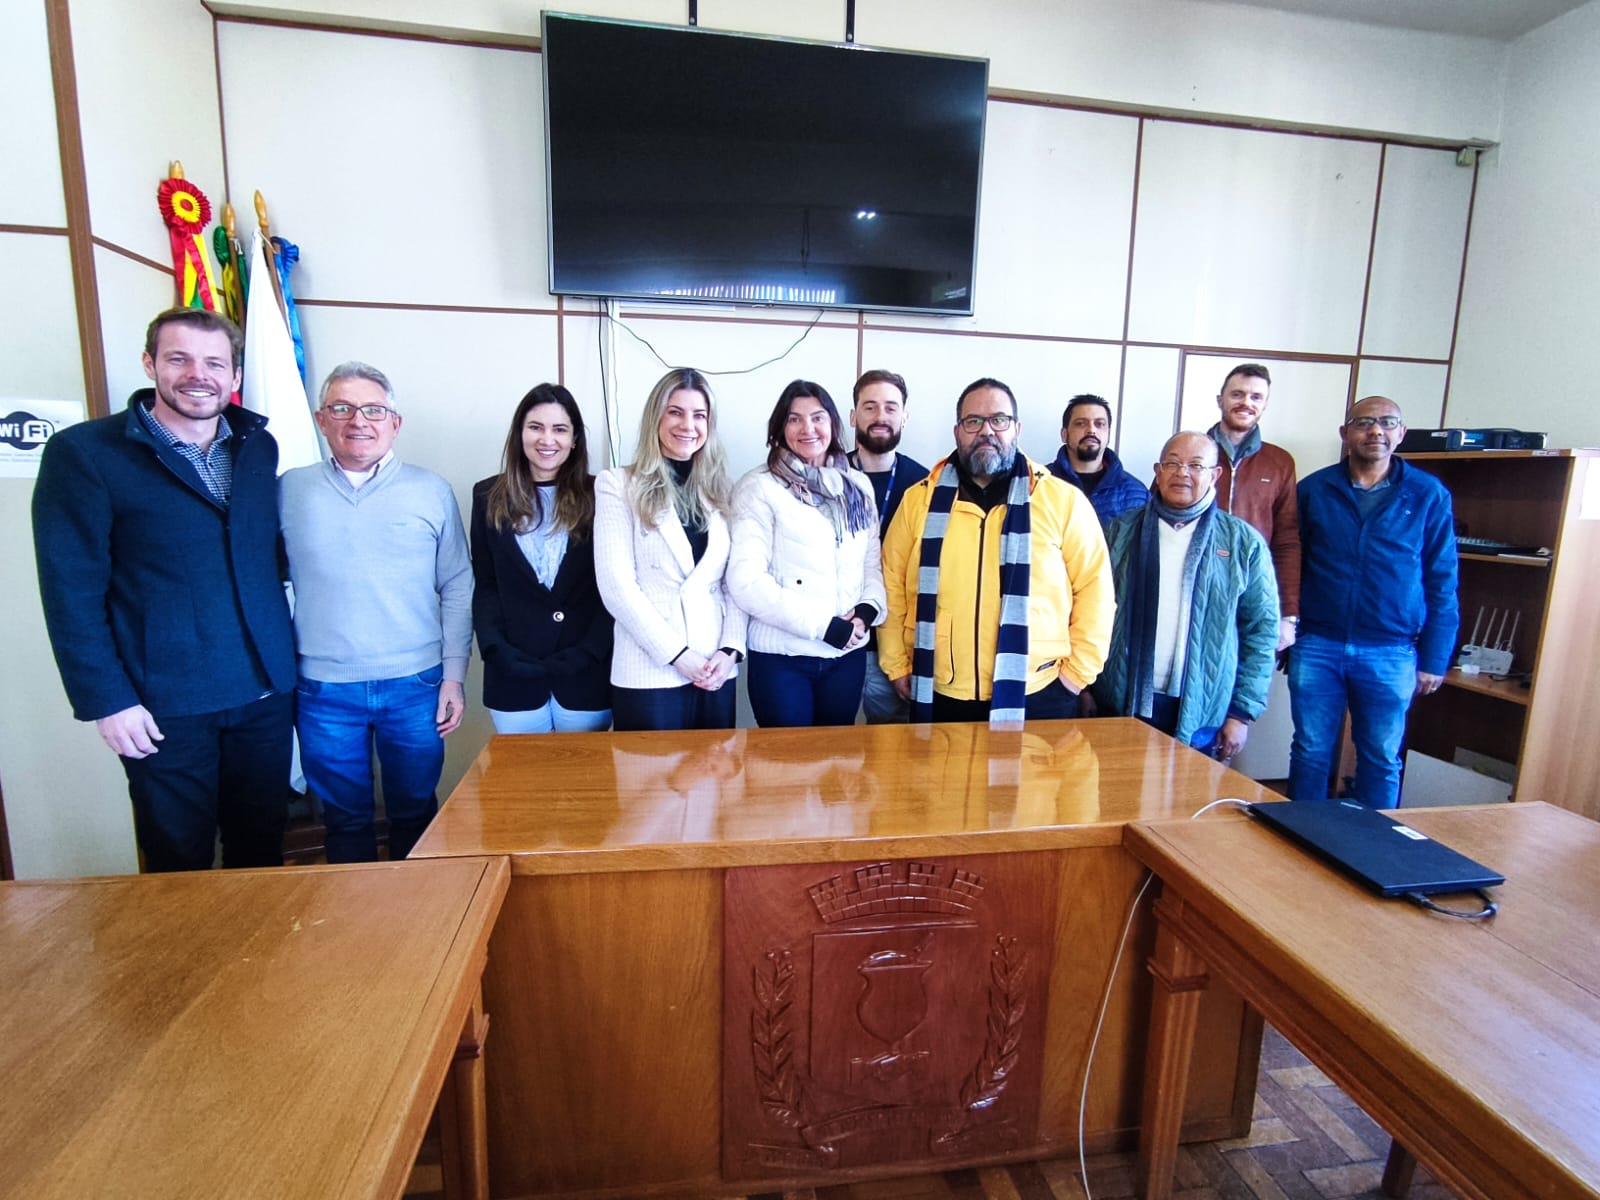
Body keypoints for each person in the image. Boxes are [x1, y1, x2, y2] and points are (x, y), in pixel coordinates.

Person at [32, 307, 296, 872]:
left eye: (214, 363)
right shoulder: (86, 455)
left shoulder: (258, 447)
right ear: (150, 364)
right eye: (179, 359)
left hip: (264, 693)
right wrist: (108, 701)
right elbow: (70, 593)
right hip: (162, 708)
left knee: (261, 851)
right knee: (178, 863)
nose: (198, 374)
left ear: (235, 375)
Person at [279, 362, 473, 861]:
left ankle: (414, 907)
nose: (358, 420)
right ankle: (355, 908)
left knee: (414, 811)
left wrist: (454, 677)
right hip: (323, 690)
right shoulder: (288, 491)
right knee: (344, 820)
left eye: (373, 410)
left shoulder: (431, 490)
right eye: (342, 408)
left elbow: (457, 583)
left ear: (395, 423)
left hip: (416, 684)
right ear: (321, 419)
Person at [881, 377, 1115, 726]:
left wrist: (1075, 677)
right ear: (957, 432)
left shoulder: (1062, 501)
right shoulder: (919, 500)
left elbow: (1096, 592)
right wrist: (897, 665)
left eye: (999, 420)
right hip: (939, 687)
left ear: (1016, 429)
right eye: (973, 421)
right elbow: (891, 584)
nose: (986, 431)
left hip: (1040, 691)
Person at [1289, 396, 1458, 808]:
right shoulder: (1314, 489)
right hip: (1318, 643)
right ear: (1345, 433)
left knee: (1381, 756)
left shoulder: (1427, 494)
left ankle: (1374, 839)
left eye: (1387, 422)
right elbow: (1292, 563)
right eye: (1364, 422)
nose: (1376, 431)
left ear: (1401, 433)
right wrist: (1289, 631)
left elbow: (1442, 579)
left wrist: (1435, 658)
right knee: (1310, 749)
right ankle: (1299, 832)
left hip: (1391, 649)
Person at [1089, 432, 1279, 760]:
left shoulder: (1242, 543)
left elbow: (1261, 632)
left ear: (1215, 474)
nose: (1182, 473)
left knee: (1187, 792)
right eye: (1172, 464)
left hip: (1202, 708)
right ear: (1158, 471)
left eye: (1195, 465)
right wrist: (1086, 687)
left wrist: (1241, 713)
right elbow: (1088, 610)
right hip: (1118, 700)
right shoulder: (1120, 532)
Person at [594, 367, 748, 731]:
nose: (688, 425)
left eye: (699, 415)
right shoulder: (617, 484)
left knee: (716, 768)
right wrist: (677, 655)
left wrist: (730, 649)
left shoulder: (723, 490)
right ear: (656, 418)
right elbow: (617, 586)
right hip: (649, 669)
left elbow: (735, 582)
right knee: (649, 770)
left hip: (715, 669)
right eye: (675, 412)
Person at [728, 380, 886, 727]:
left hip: (846, 655)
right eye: (794, 419)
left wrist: (865, 612)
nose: (808, 428)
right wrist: (822, 626)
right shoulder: (758, 487)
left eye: (817, 417)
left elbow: (871, 564)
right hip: (783, 659)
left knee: (837, 756)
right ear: (780, 428)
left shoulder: (857, 486)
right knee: (787, 758)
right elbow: (746, 580)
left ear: (833, 424)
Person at [471, 383, 612, 734]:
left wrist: (589, 652)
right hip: (513, 676)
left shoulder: (603, 494)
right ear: (519, 433)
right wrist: (496, 650)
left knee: (584, 769)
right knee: (521, 769)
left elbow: (612, 586)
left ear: (574, 439)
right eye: (536, 427)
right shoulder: (487, 495)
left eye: (560, 429)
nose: (547, 439)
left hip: (585, 675)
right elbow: (485, 584)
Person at [846, 369, 928, 723]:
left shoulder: (926, 485)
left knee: (891, 746)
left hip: (897, 650)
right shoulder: (827, 477)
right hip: (836, 640)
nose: (881, 416)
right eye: (870, 407)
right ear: (853, 416)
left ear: (904, 417)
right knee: (827, 744)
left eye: (891, 408)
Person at [1208, 363, 1301, 651]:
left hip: (1254, 595)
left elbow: (1287, 541)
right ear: (1220, 399)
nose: (1246, 402)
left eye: (1256, 397)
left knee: (1248, 675)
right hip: (1197, 593)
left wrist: (1288, 615)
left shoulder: (1280, 462)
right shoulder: (1191, 452)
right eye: (1237, 394)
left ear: (1265, 405)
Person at [1047, 393, 1149, 525]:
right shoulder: (1039, 483)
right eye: (1081, 424)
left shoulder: (1137, 495)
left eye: (1099, 424)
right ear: (1064, 434)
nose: (1091, 430)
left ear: (1108, 434)